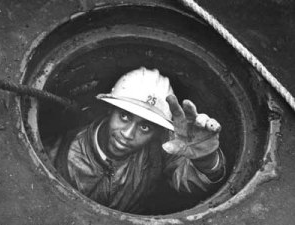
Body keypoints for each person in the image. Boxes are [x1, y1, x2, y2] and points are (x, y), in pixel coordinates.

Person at [52, 67, 226, 213]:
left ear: (157, 132)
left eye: (145, 127)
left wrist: (207, 159)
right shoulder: (60, 155)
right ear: (109, 110)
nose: (128, 134)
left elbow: (191, 182)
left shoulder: (161, 148)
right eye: (124, 116)